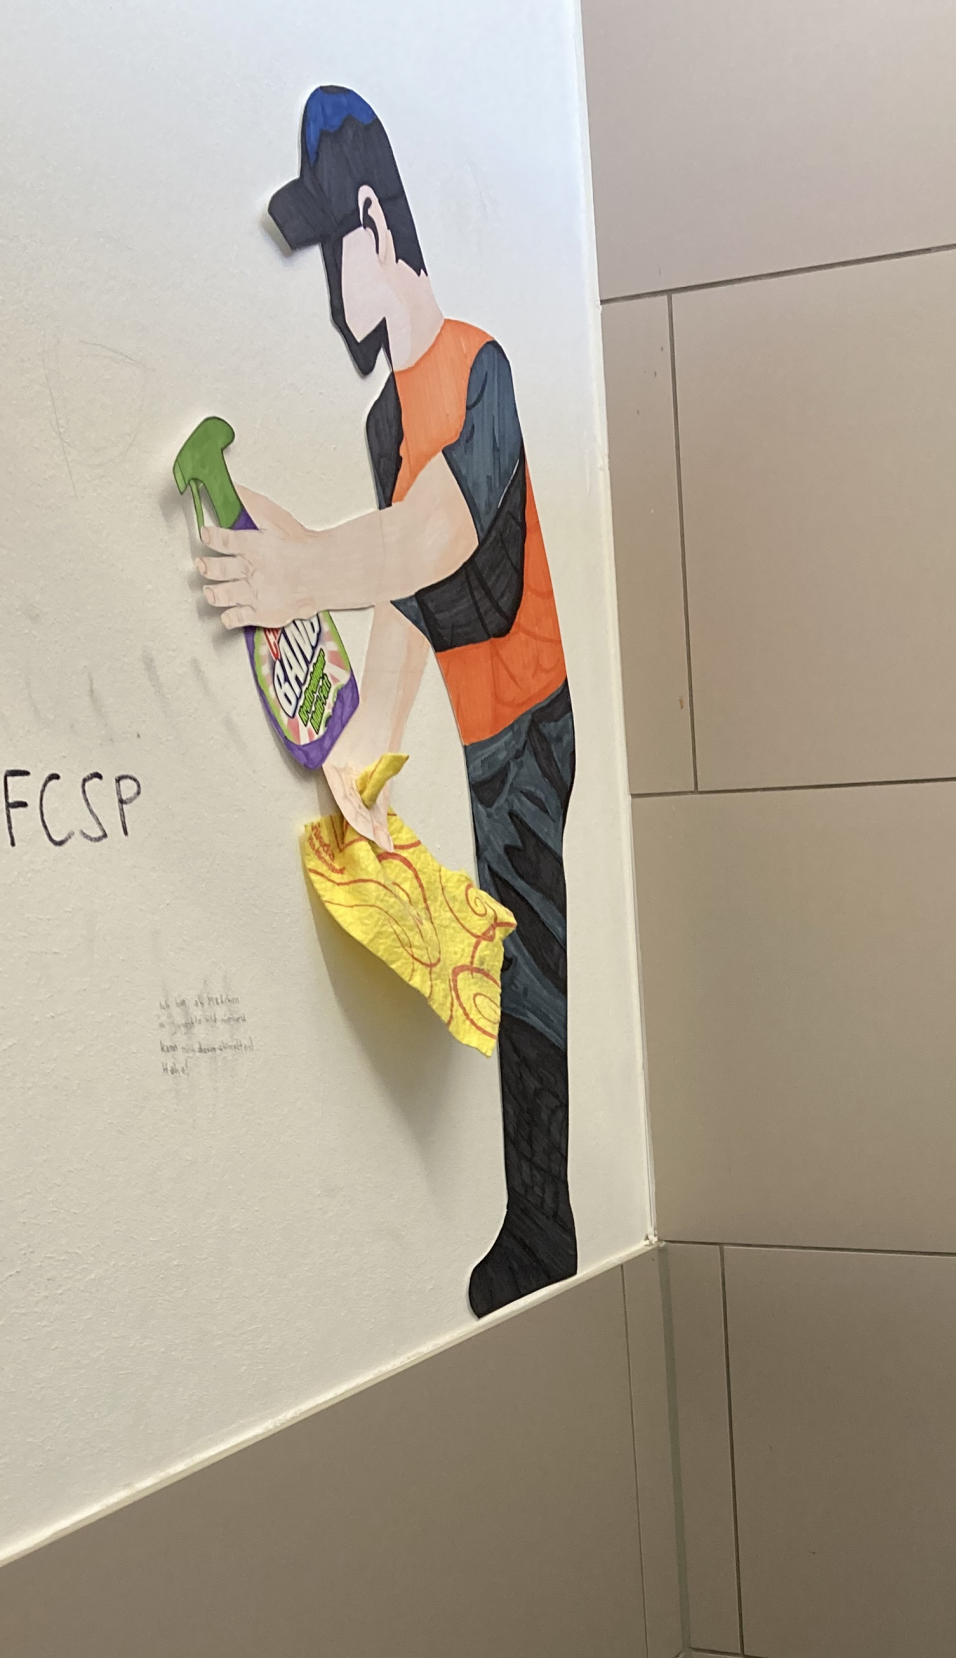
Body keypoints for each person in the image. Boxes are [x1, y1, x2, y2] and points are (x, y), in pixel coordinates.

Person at [196, 87, 576, 1318]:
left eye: (334, 256)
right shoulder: (384, 419)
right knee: (508, 959)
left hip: (531, 718)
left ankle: (543, 1228)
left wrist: (308, 567)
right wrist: (370, 743)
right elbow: (404, 599)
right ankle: (541, 1222)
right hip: (470, 723)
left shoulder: (481, 369)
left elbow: (437, 537)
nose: (334, 291)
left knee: (529, 969)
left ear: (375, 221)